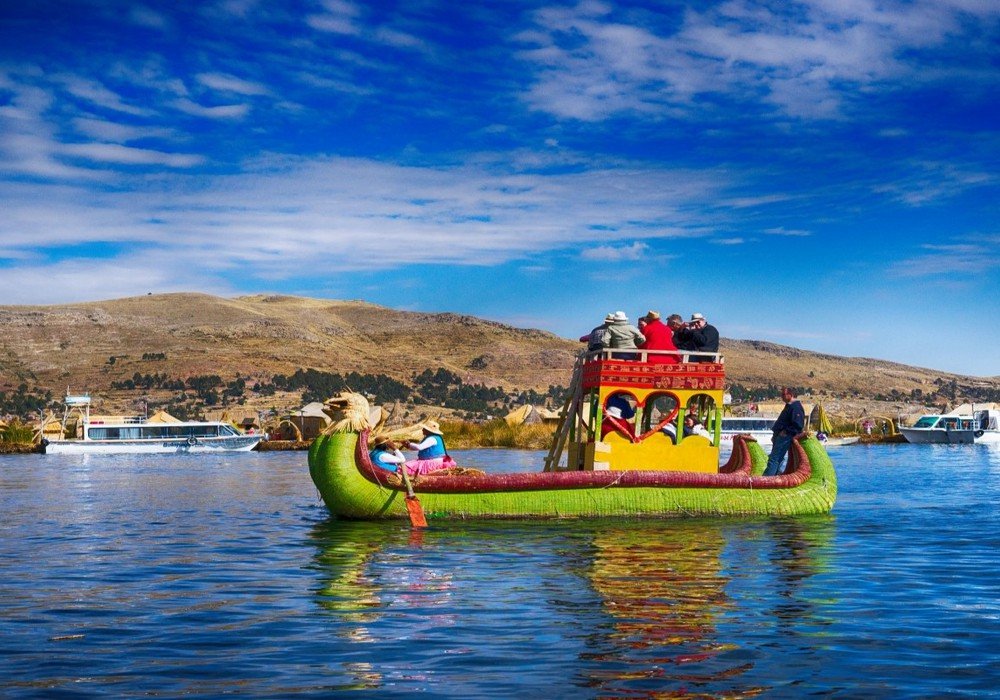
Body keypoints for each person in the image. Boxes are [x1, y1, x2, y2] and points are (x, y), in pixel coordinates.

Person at [763, 387, 805, 476]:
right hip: (780, 436)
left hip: (785, 437)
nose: (781, 397)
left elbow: (798, 424)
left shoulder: (796, 407)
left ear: (790, 395)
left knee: (775, 458)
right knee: (777, 458)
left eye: (783, 395)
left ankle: (767, 479)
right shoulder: (789, 406)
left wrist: (785, 431)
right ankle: (774, 476)